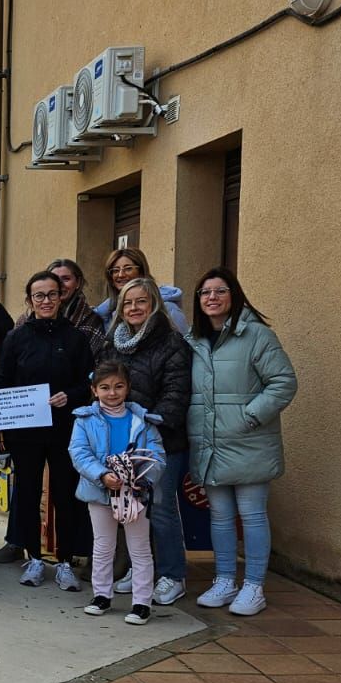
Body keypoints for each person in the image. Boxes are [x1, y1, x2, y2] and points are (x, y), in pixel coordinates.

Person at [186, 267, 297, 616]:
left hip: (249, 441)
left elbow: (283, 382)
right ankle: (224, 580)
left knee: (251, 515)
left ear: (234, 295)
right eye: (205, 292)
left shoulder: (258, 336)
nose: (212, 298)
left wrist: (249, 416)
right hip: (211, 444)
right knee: (219, 517)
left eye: (219, 291)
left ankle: (253, 586)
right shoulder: (195, 340)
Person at [0, 270, 95, 589]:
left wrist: (71, 395)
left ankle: (65, 560)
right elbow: (2, 380)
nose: (46, 301)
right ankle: (34, 558)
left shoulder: (76, 338)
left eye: (52, 294)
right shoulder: (17, 338)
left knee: (65, 494)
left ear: (62, 297)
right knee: (27, 492)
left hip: (65, 428)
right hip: (26, 431)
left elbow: (89, 382)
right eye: (39, 295)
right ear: (30, 300)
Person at [98, 277, 191, 605]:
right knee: (135, 510)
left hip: (160, 442)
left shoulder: (172, 343)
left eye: (141, 302)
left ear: (154, 305)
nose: (134, 308)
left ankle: (172, 575)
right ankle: (142, 571)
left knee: (163, 509)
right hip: (121, 445)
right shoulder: (112, 343)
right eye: (127, 303)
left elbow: (175, 397)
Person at [70, 360, 165, 625]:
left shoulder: (143, 421)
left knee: (140, 547)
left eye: (118, 386)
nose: (112, 393)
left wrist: (142, 479)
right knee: (102, 546)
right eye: (105, 387)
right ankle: (101, 595)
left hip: (136, 492)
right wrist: (102, 475)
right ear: (94, 390)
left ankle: (142, 602)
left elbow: (157, 455)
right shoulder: (84, 420)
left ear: (128, 388)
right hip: (100, 492)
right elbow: (78, 453)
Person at [88, 249, 189, 332]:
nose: (121, 275)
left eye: (128, 268)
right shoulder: (107, 312)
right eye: (115, 270)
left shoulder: (169, 308)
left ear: (141, 272)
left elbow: (183, 348)